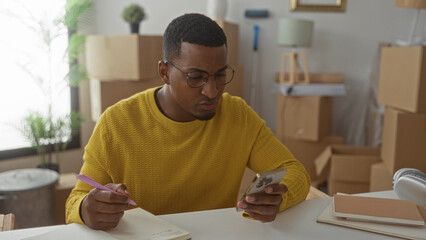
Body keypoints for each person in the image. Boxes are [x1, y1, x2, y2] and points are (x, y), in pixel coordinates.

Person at [66, 13, 310, 230]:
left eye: (220, 75)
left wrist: (278, 198)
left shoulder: (238, 115)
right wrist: (86, 209)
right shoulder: (117, 123)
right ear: (164, 72)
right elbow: (75, 202)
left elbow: (296, 171)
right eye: (196, 77)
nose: (212, 91)